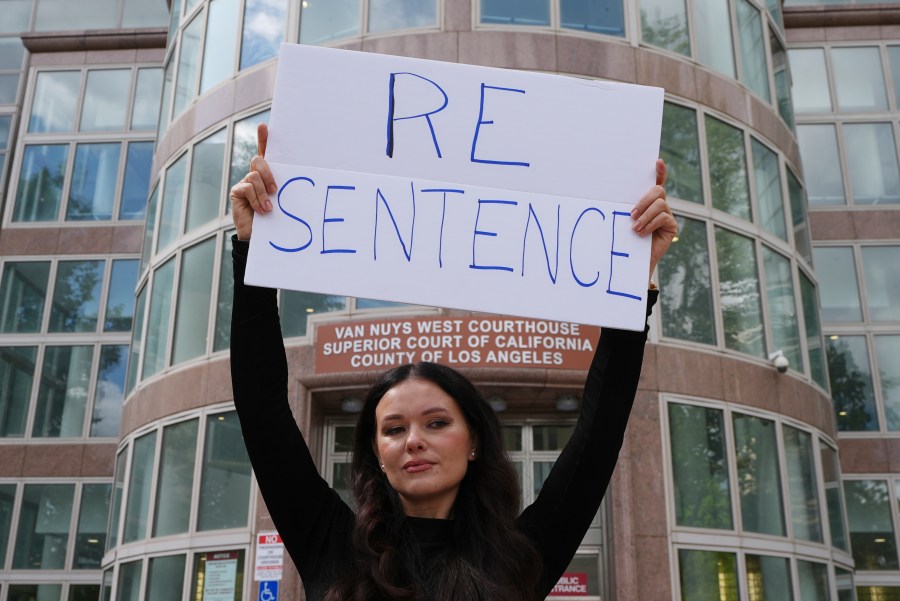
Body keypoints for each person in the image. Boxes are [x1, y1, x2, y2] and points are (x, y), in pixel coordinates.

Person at [230, 123, 677, 601]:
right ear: (377, 456)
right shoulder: (333, 545)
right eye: (394, 429)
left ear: (474, 443)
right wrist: (254, 250)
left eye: (437, 422)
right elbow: (262, 410)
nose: (414, 441)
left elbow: (599, 431)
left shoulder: (523, 554)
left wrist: (633, 277)